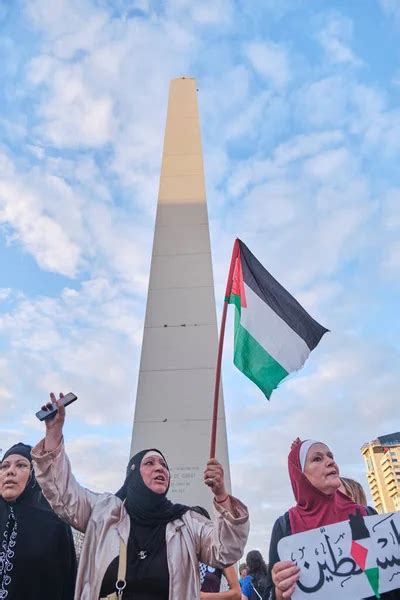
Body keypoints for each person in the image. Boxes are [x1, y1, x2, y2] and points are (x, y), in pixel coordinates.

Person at [32, 393, 249, 600]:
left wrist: (221, 496)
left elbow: (226, 551)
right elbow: (63, 496)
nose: (160, 468)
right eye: (150, 463)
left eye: (164, 465)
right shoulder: (104, 512)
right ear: (133, 475)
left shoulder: (187, 523)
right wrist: (53, 433)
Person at [266, 438, 399, 600]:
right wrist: (280, 592)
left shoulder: (367, 514)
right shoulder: (285, 526)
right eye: (317, 459)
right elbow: (271, 594)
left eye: (331, 456)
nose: (330, 462)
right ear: (299, 474)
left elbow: (390, 583)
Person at [0, 442, 76, 600]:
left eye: (21, 465)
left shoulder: (55, 521)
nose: (10, 472)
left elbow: (67, 583)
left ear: (34, 474)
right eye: (4, 466)